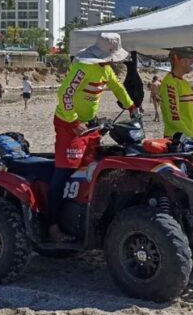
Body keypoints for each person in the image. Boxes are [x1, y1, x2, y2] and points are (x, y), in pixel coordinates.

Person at [49, 33, 136, 242]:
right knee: (65, 170)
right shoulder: (83, 67)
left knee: (90, 167)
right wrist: (73, 121)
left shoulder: (105, 69)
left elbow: (117, 87)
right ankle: (52, 225)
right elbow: (64, 95)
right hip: (69, 123)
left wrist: (131, 106)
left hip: (90, 124)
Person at [159, 48, 193, 143]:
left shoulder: (184, 82)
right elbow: (174, 118)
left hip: (188, 138)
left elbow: (191, 112)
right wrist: (191, 137)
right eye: (188, 59)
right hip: (176, 140)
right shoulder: (170, 83)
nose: (192, 62)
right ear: (176, 59)